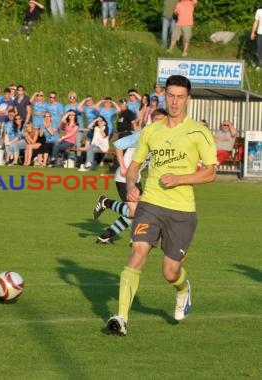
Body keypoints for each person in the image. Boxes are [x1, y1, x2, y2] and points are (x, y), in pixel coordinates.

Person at [106, 75, 217, 336]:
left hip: (182, 210)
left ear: (188, 99)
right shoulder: (152, 131)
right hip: (151, 203)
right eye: (171, 96)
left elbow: (210, 173)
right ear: (164, 96)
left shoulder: (198, 132)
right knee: (138, 252)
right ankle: (121, 317)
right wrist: (132, 186)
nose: (175, 102)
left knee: (170, 272)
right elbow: (134, 167)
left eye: (180, 97)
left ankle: (182, 288)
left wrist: (180, 178)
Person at [93, 108, 168, 244]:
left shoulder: (162, 138)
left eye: (163, 120)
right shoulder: (143, 134)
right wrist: (122, 166)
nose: (160, 123)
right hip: (124, 178)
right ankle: (107, 203)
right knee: (136, 212)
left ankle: (105, 236)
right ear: (152, 120)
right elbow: (118, 145)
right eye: (157, 120)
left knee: (135, 213)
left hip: (136, 178)